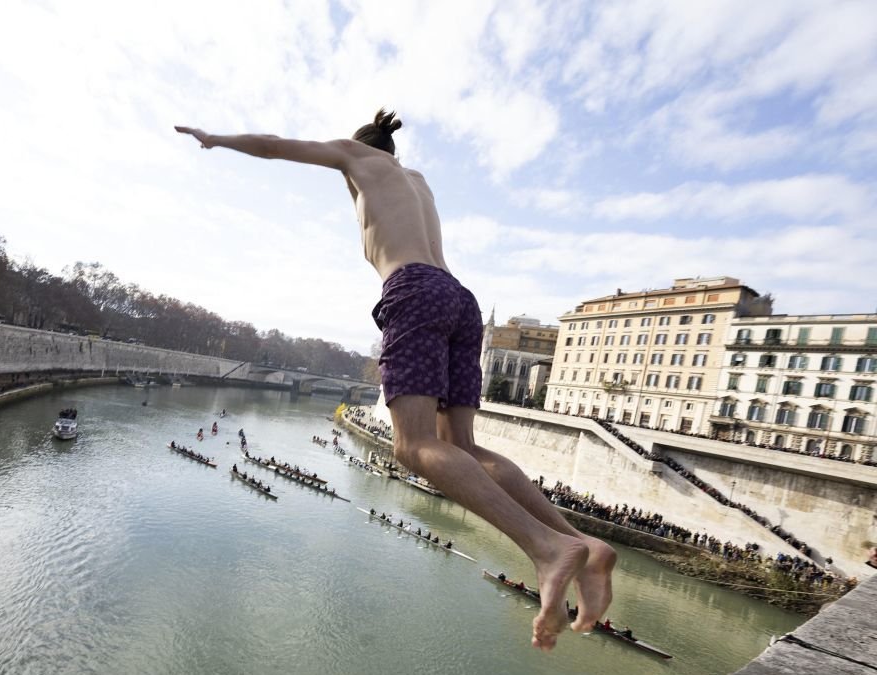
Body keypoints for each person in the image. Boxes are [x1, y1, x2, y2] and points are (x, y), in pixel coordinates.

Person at [178, 109, 615, 650]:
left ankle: (548, 548)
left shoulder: (356, 157)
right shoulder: (418, 182)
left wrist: (214, 139)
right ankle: (584, 546)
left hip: (413, 290)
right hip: (461, 299)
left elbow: (271, 146)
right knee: (464, 448)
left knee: (413, 446)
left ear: (358, 154)